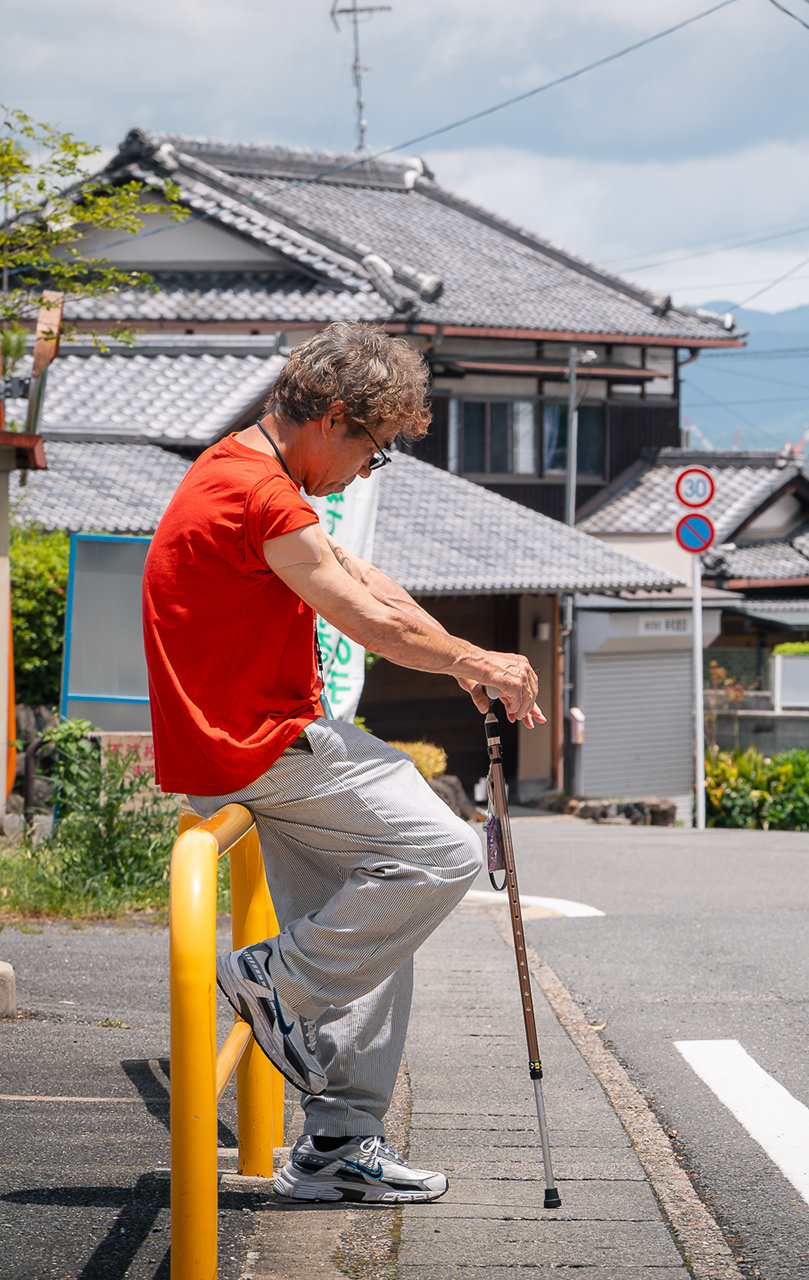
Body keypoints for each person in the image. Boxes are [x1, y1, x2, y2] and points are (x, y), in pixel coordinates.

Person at [142, 321, 545, 1204]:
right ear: (332, 417)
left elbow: (367, 586)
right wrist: (473, 663)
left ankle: (336, 1144)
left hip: (243, 741)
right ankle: (275, 984)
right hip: (257, 743)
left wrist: (464, 655)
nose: (368, 469)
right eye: (374, 450)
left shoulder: (244, 473)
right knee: (441, 852)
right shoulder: (261, 494)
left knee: (370, 914)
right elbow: (359, 619)